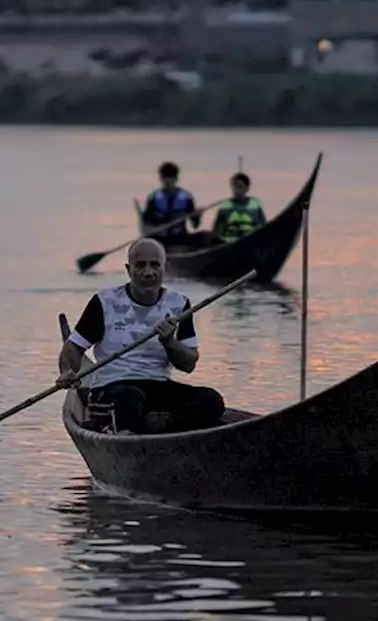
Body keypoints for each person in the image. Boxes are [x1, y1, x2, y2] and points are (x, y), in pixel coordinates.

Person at [55, 238, 226, 435]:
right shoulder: (104, 302)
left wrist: (169, 342)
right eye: (140, 265)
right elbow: (73, 347)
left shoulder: (179, 304)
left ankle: (157, 427)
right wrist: (67, 370)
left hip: (159, 387)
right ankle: (117, 424)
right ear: (128, 270)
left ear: (165, 268)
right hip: (114, 387)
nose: (148, 272)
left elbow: (188, 364)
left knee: (211, 401)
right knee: (130, 399)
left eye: (155, 265)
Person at [141, 162, 206, 249]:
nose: (168, 181)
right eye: (165, 177)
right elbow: (147, 224)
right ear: (161, 178)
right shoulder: (154, 198)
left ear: (176, 178)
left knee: (205, 236)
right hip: (160, 240)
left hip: (180, 239)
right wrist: (153, 229)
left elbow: (195, 225)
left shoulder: (186, 197)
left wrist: (198, 216)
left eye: (171, 177)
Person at [212, 172, 267, 243]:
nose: (237, 190)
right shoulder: (225, 206)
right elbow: (217, 230)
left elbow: (263, 225)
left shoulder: (255, 204)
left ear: (247, 188)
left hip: (250, 240)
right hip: (230, 242)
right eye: (234, 186)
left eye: (240, 186)